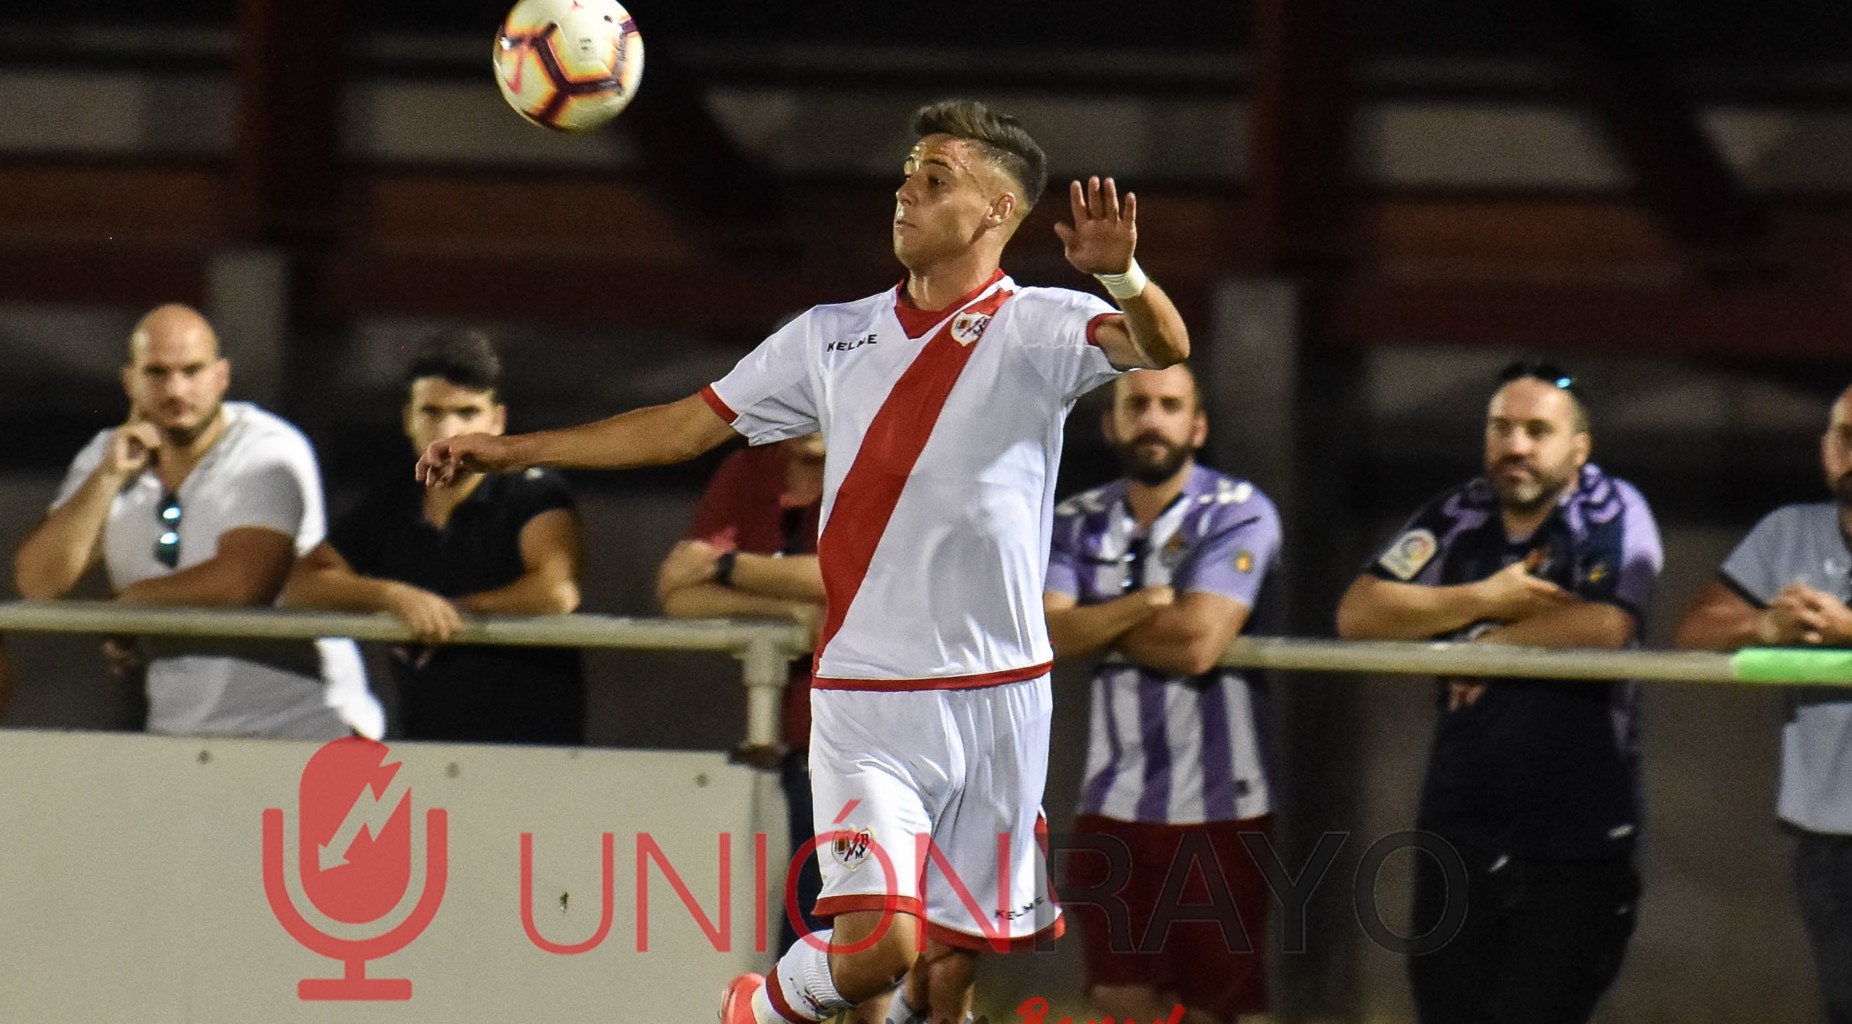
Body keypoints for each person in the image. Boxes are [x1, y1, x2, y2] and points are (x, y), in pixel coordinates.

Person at [414, 98, 1190, 1024]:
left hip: (1001, 697)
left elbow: (1161, 346)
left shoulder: (1041, 328)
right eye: (907, 169)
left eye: (935, 178)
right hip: (867, 697)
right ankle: (762, 1007)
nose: (905, 190)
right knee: (878, 956)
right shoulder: (829, 337)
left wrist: (1127, 277)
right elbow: (681, 428)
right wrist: (514, 447)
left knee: (945, 981)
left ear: (995, 212)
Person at [1333, 360, 1662, 1024]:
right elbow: (1359, 613)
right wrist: (1486, 598)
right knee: (1446, 1007)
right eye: (1501, 427)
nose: (1515, 445)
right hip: (1461, 819)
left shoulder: (1610, 508)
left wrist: (1486, 648)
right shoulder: (1457, 513)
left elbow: (1605, 622)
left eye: (1537, 430)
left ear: (1579, 448)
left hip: (1577, 829)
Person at [11, 303, 381, 739]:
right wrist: (107, 478)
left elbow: (243, 581)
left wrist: (130, 605)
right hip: (183, 734)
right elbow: (39, 582)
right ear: (130, 381)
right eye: (157, 373)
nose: (176, 389)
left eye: (192, 371)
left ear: (221, 376)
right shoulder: (107, 455)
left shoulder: (269, 449)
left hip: (308, 730)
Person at [1044, 363, 1280, 1024]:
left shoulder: (1239, 510)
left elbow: (1198, 641)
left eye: (1170, 405)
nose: (1152, 418)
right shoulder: (1077, 517)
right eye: (1138, 403)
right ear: (1111, 422)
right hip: (1112, 797)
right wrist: (1147, 603)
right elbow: (1047, 634)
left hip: (1223, 802)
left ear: (1196, 426)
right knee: (1118, 995)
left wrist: (1099, 620)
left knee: (1217, 1005)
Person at [283, 329, 586, 744]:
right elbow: (300, 583)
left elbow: (556, 591)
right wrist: (396, 597)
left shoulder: (532, 492)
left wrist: (451, 612)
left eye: (467, 413)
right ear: (408, 419)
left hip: (535, 751)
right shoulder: (392, 503)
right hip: (428, 748)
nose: (448, 431)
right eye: (431, 412)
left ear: (497, 421)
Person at [1673, 382, 1852, 1024]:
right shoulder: (1788, 532)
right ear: (1827, 450)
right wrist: (1763, 628)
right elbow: (1696, 628)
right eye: (1848, 437)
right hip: (1830, 837)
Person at [655, 432, 829, 958]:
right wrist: (786, 610)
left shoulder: (886, 460)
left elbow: (852, 572)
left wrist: (727, 567)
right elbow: (676, 591)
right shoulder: (749, 469)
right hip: (794, 749)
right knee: (805, 953)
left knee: (873, 948)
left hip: (879, 745)